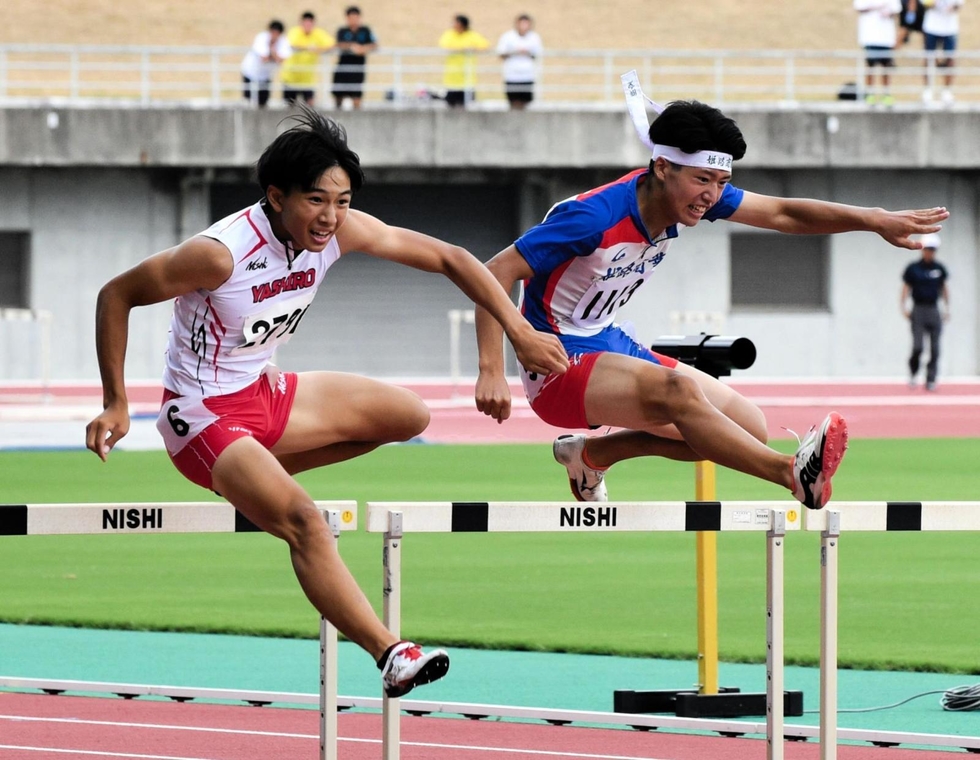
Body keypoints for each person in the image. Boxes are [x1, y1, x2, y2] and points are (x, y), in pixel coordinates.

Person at [84, 107, 568, 697]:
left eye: (341, 202)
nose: (330, 217)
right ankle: (391, 653)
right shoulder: (220, 254)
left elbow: (452, 258)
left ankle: (252, 477)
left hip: (264, 394)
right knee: (307, 522)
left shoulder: (340, 231)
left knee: (409, 416)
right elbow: (116, 294)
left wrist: (517, 332)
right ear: (276, 196)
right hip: (201, 416)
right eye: (316, 200)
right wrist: (115, 402)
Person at [473, 73, 948, 509]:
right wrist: (492, 368)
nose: (712, 196)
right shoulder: (593, 218)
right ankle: (790, 473)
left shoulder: (693, 198)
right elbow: (494, 271)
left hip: (607, 340)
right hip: (555, 361)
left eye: (722, 183)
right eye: (702, 180)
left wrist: (872, 219)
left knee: (746, 427)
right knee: (681, 394)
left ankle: (594, 455)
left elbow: (782, 214)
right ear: (662, 167)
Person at [901, 232, 950, 390]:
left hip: (933, 309)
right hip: (918, 309)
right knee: (918, 347)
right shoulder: (913, 269)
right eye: (928, 249)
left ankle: (931, 379)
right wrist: (903, 307)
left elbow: (944, 288)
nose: (930, 252)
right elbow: (906, 288)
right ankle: (913, 373)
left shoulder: (939, 268)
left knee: (935, 348)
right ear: (922, 250)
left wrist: (946, 309)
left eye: (933, 250)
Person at [281, 11, 335, 106]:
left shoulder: (318, 33)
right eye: (305, 23)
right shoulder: (294, 32)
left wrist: (317, 49)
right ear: (301, 23)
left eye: (310, 23)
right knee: (290, 106)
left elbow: (331, 44)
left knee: (310, 106)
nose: (307, 26)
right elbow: (292, 44)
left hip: (308, 78)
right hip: (291, 76)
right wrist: (309, 48)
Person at [854, 0, 902, 105]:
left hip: (886, 37)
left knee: (886, 66)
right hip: (870, 36)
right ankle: (870, 93)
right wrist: (877, 6)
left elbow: (897, 9)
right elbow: (859, 6)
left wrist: (888, 12)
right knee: (870, 65)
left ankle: (886, 94)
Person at [438, 15, 490, 109]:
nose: (453, 25)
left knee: (466, 104)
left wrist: (472, 49)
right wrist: (463, 49)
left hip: (467, 77)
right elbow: (444, 45)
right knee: (451, 104)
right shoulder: (449, 34)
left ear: (461, 24)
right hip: (452, 78)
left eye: (455, 23)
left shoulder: (471, 35)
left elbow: (484, 45)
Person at [332, 6, 378, 110]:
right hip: (343, 68)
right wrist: (352, 46)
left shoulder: (365, 30)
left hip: (357, 69)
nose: (353, 20)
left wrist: (363, 48)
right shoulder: (342, 31)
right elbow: (338, 44)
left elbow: (374, 44)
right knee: (338, 96)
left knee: (356, 96)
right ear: (347, 18)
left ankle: (357, 114)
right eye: (351, 17)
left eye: (355, 17)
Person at [921, 0, 964, 105]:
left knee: (950, 59)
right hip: (932, 26)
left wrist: (952, 7)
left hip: (950, 28)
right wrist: (932, 4)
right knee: (929, 58)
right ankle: (928, 90)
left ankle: (947, 91)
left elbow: (959, 5)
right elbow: (924, 3)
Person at [239, 20, 291, 108]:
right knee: (248, 101)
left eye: (277, 34)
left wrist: (272, 51)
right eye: (273, 33)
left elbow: (281, 60)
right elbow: (264, 58)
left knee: (263, 102)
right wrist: (274, 53)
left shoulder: (283, 41)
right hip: (250, 73)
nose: (274, 36)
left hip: (266, 75)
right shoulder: (261, 38)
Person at [496, 14, 543, 110]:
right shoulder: (508, 36)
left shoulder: (534, 37)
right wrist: (514, 52)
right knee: (513, 101)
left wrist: (527, 52)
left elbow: (538, 54)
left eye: (526, 24)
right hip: (512, 76)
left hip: (528, 75)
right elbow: (501, 53)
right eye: (522, 24)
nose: (524, 27)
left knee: (526, 103)